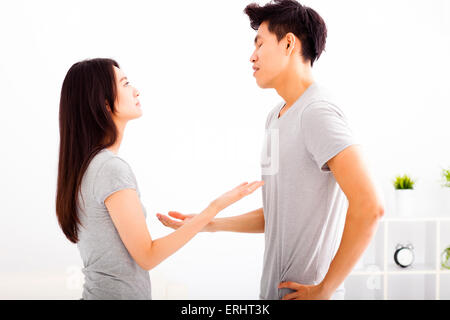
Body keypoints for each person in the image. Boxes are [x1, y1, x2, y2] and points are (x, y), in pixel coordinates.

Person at [157, 0, 385, 300]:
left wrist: (325, 289)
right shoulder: (275, 117)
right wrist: (206, 224)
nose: (252, 57)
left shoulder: (317, 112)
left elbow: (370, 207)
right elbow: (278, 213)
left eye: (260, 44)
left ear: (289, 43)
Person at [55, 58, 263, 300]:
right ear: (104, 104)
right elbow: (148, 255)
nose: (135, 90)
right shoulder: (110, 169)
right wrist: (214, 208)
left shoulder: (89, 166)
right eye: (125, 83)